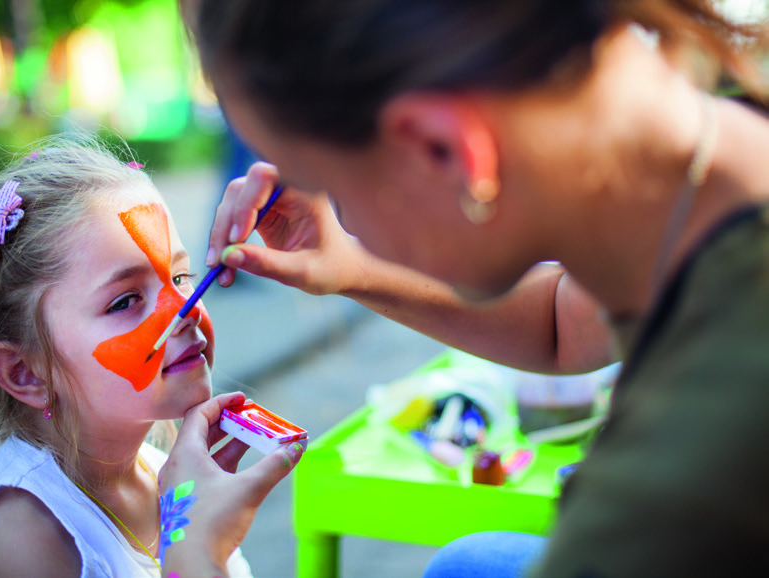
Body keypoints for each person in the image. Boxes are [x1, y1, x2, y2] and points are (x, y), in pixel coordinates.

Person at [177, 0, 769, 576]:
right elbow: (565, 325)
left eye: (329, 183)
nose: (341, 219)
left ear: (443, 146)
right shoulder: (705, 176)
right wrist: (351, 265)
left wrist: (192, 556)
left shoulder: (689, 471)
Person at [0, 139, 302, 578]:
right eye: (125, 301)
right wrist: (195, 543)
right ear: (25, 372)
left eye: (180, 276)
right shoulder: (27, 537)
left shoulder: (167, 472)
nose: (186, 309)